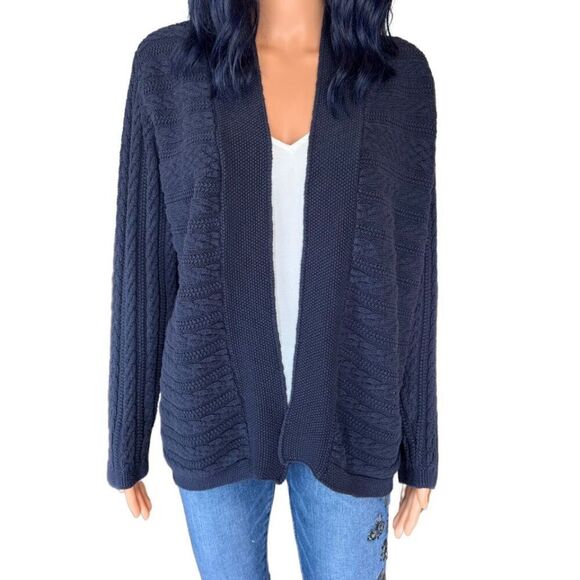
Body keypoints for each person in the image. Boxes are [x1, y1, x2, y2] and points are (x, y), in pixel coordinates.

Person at [106, 0, 439, 577]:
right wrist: (126, 438)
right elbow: (143, 264)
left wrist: (420, 445)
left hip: (355, 412)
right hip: (211, 411)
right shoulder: (168, 67)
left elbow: (412, 273)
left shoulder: (398, 78)